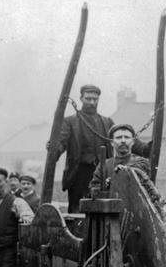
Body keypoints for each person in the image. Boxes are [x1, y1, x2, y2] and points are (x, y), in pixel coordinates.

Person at [51, 84, 115, 212]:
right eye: (88, 99)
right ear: (81, 99)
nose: (92, 102)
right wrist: (54, 148)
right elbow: (61, 143)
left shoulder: (107, 122)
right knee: (77, 213)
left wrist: (144, 149)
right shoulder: (69, 122)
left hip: (102, 175)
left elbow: (122, 139)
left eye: (95, 99)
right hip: (79, 176)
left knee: (102, 211)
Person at [89, 123, 151, 195]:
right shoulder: (104, 165)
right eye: (118, 137)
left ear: (133, 141)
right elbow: (94, 187)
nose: (123, 140)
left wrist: (118, 176)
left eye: (127, 137)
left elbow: (136, 172)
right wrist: (101, 188)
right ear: (112, 142)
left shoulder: (142, 162)